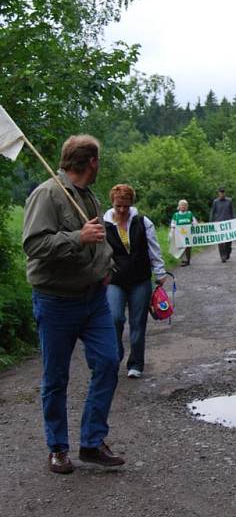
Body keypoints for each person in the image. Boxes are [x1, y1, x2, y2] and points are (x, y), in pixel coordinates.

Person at [22, 135, 125, 474]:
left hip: (93, 298)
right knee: (56, 377)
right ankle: (58, 448)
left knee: (109, 362)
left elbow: (99, 238)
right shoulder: (47, 194)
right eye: (99, 160)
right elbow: (34, 245)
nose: (100, 166)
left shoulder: (88, 196)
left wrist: (106, 266)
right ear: (91, 162)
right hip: (56, 302)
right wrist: (76, 237)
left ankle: (92, 442)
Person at [103, 184, 168, 379]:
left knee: (138, 322)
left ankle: (136, 363)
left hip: (140, 279)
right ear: (112, 203)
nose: (122, 210)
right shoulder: (104, 224)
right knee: (115, 318)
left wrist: (160, 271)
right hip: (115, 279)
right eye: (118, 206)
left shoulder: (142, 222)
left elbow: (153, 248)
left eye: (126, 205)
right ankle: (116, 355)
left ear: (132, 204)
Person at [210, 186, 234, 262]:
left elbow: (232, 211)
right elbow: (212, 212)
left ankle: (228, 251)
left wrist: (234, 221)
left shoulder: (229, 201)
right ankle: (222, 256)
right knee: (220, 241)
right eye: (220, 193)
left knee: (228, 240)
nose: (222, 194)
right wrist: (211, 222)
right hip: (218, 223)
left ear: (225, 193)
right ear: (218, 193)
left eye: (223, 193)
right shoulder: (215, 202)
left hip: (228, 222)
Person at [170, 199, 197, 266]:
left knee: (188, 247)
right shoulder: (176, 215)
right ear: (179, 206)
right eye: (182, 205)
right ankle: (183, 260)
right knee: (181, 247)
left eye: (185, 205)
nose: (183, 206)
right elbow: (172, 224)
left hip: (188, 234)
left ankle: (188, 260)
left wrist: (194, 225)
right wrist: (173, 228)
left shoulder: (189, 213)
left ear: (187, 206)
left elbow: (195, 222)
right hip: (179, 235)